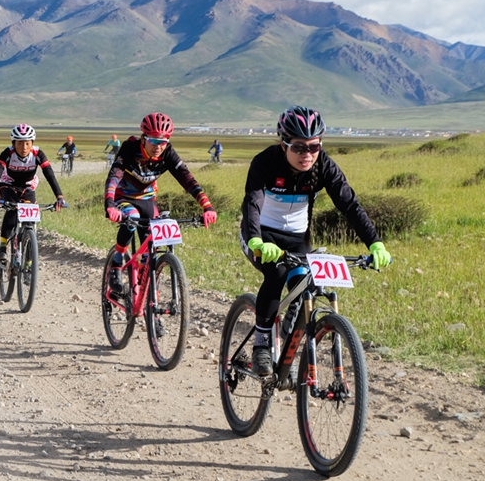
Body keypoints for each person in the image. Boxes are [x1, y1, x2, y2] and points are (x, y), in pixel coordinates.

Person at [240, 105, 392, 375]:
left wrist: (375, 243)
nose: (307, 154)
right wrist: (256, 241)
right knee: (276, 274)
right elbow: (252, 203)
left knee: (306, 284)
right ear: (283, 142)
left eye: (314, 146)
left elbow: (350, 205)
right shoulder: (264, 162)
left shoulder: (323, 166)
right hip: (262, 236)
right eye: (298, 147)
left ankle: (287, 334)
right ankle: (261, 345)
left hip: (298, 239)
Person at [104, 112, 217, 292]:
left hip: (148, 199)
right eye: (154, 141)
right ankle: (117, 261)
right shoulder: (130, 147)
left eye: (163, 142)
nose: (158, 146)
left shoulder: (168, 154)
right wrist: (110, 204)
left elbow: (188, 180)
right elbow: (114, 175)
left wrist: (207, 207)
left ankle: (148, 298)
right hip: (124, 197)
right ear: (143, 138)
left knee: (151, 249)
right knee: (132, 217)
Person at [0, 124, 66, 271]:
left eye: (27, 143)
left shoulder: (38, 154)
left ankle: (29, 264)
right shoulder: (8, 153)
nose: (24, 147)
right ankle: (3, 246)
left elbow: (50, 175)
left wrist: (59, 196)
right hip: (8, 184)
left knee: (30, 220)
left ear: (32, 143)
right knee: (12, 207)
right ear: (13, 144)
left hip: (27, 187)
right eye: (19, 143)